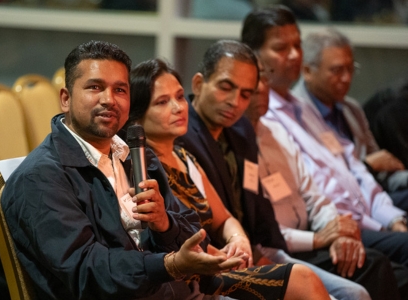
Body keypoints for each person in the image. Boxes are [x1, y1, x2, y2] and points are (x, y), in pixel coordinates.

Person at [0, 40, 262, 300]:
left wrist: (164, 223)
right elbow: (87, 271)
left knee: (296, 280)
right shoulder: (41, 178)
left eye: (120, 90)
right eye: (95, 87)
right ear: (66, 99)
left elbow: (193, 232)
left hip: (185, 292)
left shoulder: (136, 155)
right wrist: (169, 265)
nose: (109, 100)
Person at [174, 39, 368, 300]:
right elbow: (196, 224)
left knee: (356, 293)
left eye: (245, 94)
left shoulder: (242, 131)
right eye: (225, 87)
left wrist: (265, 254)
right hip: (216, 261)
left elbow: (256, 201)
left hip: (257, 249)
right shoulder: (180, 136)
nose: (235, 102)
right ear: (198, 84)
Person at [126, 57, 331, 300]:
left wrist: (238, 239)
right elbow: (180, 239)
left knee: (309, 281)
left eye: (180, 97)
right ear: (137, 118)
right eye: (162, 102)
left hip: (223, 263)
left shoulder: (183, 155)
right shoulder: (143, 168)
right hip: (194, 277)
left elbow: (224, 219)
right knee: (303, 280)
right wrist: (226, 257)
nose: (178, 107)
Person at [240, 3, 408, 278]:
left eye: (297, 45)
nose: (295, 55)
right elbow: (310, 191)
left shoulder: (304, 106)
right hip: (317, 230)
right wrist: (335, 229)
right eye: (282, 48)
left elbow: (354, 169)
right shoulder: (261, 116)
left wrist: (391, 218)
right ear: (253, 54)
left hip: (351, 220)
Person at [292, 27, 408, 211]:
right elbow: (317, 181)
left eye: (350, 69)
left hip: (375, 197)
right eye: (337, 70)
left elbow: (385, 168)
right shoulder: (293, 115)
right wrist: (367, 166)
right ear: (307, 70)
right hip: (335, 208)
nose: (346, 78)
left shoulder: (351, 109)